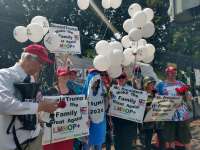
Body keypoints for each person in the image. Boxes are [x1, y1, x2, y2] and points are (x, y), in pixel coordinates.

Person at [0, 44, 58, 150]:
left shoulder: (31, 78)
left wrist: (48, 103)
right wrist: (39, 107)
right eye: (40, 62)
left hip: (35, 138)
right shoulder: (4, 75)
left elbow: (36, 101)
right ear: (27, 58)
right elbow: (3, 105)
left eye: (44, 64)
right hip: (13, 144)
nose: (42, 66)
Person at [156, 64, 192, 150]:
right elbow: (157, 98)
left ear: (176, 73)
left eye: (174, 73)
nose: (172, 75)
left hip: (182, 115)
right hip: (169, 115)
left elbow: (187, 95)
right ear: (167, 73)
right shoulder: (161, 85)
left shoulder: (181, 83)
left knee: (185, 138)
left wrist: (188, 101)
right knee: (170, 139)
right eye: (170, 73)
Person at [43, 67, 74, 150]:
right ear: (58, 77)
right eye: (63, 75)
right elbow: (43, 111)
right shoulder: (50, 91)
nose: (65, 77)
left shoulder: (72, 92)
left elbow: (77, 111)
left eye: (67, 75)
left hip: (67, 131)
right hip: (52, 132)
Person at [110, 72, 137, 150]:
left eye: (123, 77)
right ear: (116, 79)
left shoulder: (131, 89)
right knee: (117, 142)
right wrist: (111, 120)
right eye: (119, 77)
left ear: (126, 79)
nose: (121, 79)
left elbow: (136, 104)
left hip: (128, 121)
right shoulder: (112, 89)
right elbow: (110, 105)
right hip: (116, 120)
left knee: (127, 143)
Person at [82, 68, 107, 150]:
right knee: (87, 144)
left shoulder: (104, 88)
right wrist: (86, 116)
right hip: (89, 121)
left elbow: (106, 106)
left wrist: (106, 97)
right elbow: (83, 100)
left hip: (100, 121)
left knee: (97, 145)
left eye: (102, 74)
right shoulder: (87, 85)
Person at [142, 76, 165, 150]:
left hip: (158, 121)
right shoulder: (142, 94)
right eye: (150, 84)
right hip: (148, 121)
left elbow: (161, 103)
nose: (152, 85)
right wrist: (147, 108)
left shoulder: (156, 92)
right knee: (147, 142)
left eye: (153, 84)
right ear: (146, 84)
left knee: (162, 140)